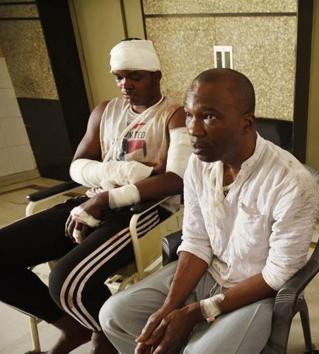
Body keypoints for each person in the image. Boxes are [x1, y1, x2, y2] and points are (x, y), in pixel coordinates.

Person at [99, 68, 319, 354]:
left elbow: (276, 275)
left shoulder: (292, 183)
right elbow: (196, 240)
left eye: (209, 116)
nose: (193, 129)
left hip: (255, 293)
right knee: (114, 316)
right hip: (207, 273)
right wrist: (170, 307)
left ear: (246, 123)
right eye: (190, 115)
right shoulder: (199, 164)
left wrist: (195, 312)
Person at [0, 39, 190, 354]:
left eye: (135, 76)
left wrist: (108, 196)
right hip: (91, 201)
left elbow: (175, 179)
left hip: (142, 213)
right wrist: (133, 173)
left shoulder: (175, 116)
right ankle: (72, 326)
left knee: (66, 282)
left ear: (156, 75)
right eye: (119, 76)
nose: (125, 84)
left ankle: (107, 338)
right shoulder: (104, 110)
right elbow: (77, 166)